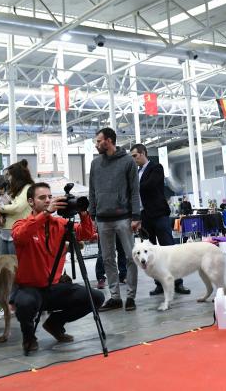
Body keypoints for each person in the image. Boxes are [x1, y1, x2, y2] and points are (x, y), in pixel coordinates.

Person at [11, 182, 104, 355]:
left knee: (96, 297)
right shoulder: (21, 223)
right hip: (30, 288)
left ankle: (54, 324)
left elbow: (86, 234)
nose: (47, 201)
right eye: (42, 198)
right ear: (31, 202)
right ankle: (29, 336)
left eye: (49, 197)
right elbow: (20, 237)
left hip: (54, 287)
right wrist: (45, 214)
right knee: (24, 304)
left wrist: (83, 212)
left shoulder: (59, 224)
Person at [89, 127, 140, 312]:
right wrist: (92, 215)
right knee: (108, 258)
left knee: (130, 257)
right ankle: (115, 297)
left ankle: (131, 297)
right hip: (102, 219)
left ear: (109, 140)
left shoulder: (128, 161)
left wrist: (136, 216)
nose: (96, 144)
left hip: (124, 218)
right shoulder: (95, 164)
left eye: (98, 141)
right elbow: (92, 191)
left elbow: (135, 190)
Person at [130, 144, 190, 296]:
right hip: (145, 217)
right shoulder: (137, 172)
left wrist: (134, 186)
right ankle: (159, 284)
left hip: (159, 215)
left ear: (143, 153)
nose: (133, 159)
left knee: (169, 249)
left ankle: (178, 283)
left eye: (135, 155)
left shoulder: (156, 168)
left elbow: (150, 185)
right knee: (150, 253)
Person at [0, 159, 34, 256]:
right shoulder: (11, 190)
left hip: (17, 233)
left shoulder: (28, 188)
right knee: (4, 265)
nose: (7, 178)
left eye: (9, 175)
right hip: (3, 232)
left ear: (17, 175)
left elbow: (17, 207)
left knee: (16, 266)